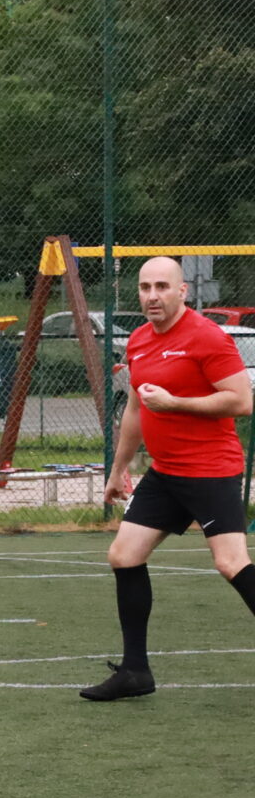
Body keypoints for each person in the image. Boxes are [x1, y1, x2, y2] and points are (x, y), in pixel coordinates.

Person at [82, 256, 255, 701]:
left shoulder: (207, 336)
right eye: (145, 287)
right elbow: (136, 409)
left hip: (211, 470)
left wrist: (176, 403)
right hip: (165, 473)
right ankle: (135, 672)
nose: (152, 296)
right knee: (124, 555)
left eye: (162, 286)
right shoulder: (139, 340)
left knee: (230, 563)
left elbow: (241, 401)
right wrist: (118, 469)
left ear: (183, 291)